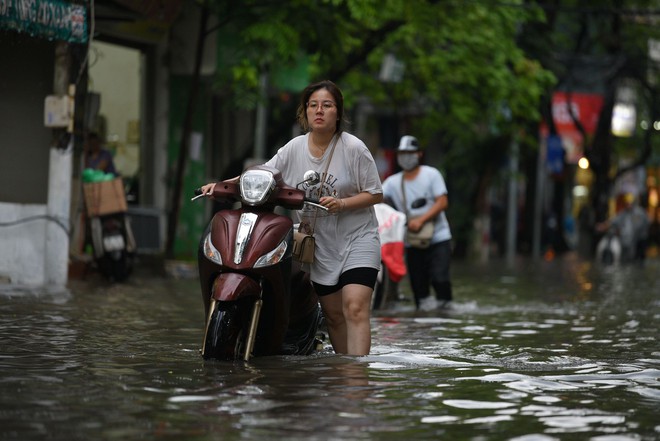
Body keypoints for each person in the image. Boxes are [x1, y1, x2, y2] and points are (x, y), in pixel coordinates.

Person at [201, 80, 383, 355]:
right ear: (305, 112)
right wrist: (221, 185)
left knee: (354, 308)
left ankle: (356, 380)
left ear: (338, 112)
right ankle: (345, 374)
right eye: (313, 105)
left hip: (358, 238)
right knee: (333, 316)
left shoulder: (354, 148)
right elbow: (261, 175)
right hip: (319, 244)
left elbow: (375, 193)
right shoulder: (294, 148)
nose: (319, 111)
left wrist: (342, 203)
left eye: (327, 105)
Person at [382, 135, 453, 311]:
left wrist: (421, 220)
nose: (406, 156)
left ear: (419, 154)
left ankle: (446, 310)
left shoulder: (432, 175)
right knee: (419, 290)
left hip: (438, 238)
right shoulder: (392, 182)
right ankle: (424, 322)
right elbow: (376, 199)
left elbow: (442, 202)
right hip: (412, 241)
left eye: (410, 153)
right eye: (402, 153)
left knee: (440, 278)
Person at [596, 192, 650, 263]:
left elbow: (647, 223)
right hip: (626, 241)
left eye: (630, 203)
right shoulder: (623, 214)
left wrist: (642, 235)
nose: (628, 205)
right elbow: (613, 221)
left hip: (639, 241)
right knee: (627, 260)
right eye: (627, 203)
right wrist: (603, 226)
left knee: (639, 260)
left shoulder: (640, 213)